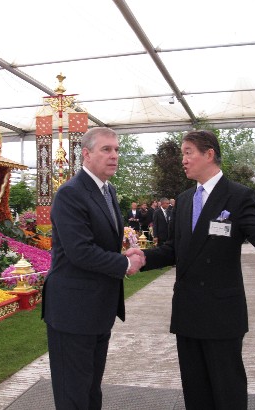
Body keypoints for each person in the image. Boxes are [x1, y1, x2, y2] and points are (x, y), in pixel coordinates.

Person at [128, 130, 255, 409]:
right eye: (182, 154)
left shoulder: (237, 196)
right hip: (187, 310)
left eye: (188, 152)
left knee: (227, 391)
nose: (183, 160)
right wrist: (144, 258)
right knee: (195, 390)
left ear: (209, 154)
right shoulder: (186, 199)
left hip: (221, 313)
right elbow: (175, 248)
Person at [42, 127, 145, 409]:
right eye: (106, 150)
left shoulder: (107, 190)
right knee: (73, 394)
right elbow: (80, 252)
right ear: (86, 154)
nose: (114, 156)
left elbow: (100, 242)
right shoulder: (70, 193)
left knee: (90, 391)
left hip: (99, 308)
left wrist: (125, 252)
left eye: (117, 150)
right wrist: (125, 263)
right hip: (72, 311)